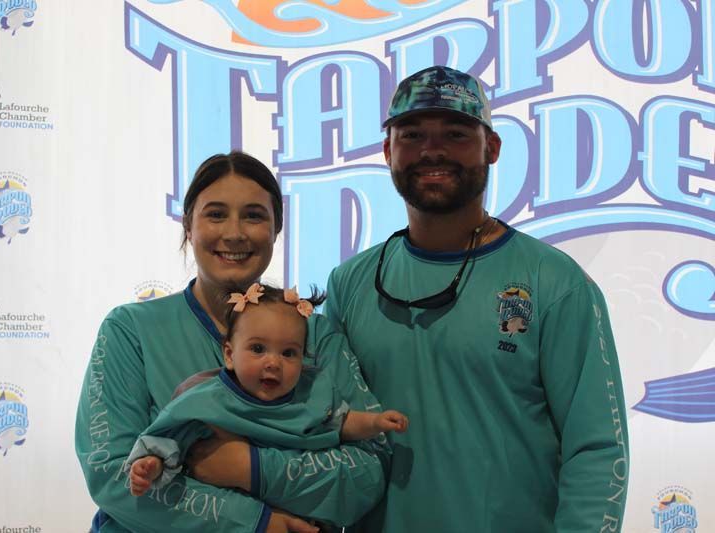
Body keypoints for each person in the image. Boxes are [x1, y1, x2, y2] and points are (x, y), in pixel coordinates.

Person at [324, 66, 630, 532]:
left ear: (493, 147)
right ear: (388, 151)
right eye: (412, 135)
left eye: (456, 133)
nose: (432, 150)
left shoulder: (554, 282)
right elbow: (322, 430)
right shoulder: (349, 284)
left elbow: (598, 449)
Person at [75, 151, 391, 533]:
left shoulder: (318, 337)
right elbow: (112, 474)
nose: (235, 232)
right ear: (188, 225)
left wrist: (250, 468)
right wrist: (256, 523)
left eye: (254, 215)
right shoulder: (131, 331)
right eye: (216, 214)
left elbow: (369, 472)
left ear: (276, 229)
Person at [127, 283, 408, 504]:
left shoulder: (311, 395)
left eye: (288, 353)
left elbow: (343, 422)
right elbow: (168, 440)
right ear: (229, 354)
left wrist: (375, 423)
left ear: (304, 358)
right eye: (258, 349)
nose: (273, 363)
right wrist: (151, 465)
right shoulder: (204, 400)